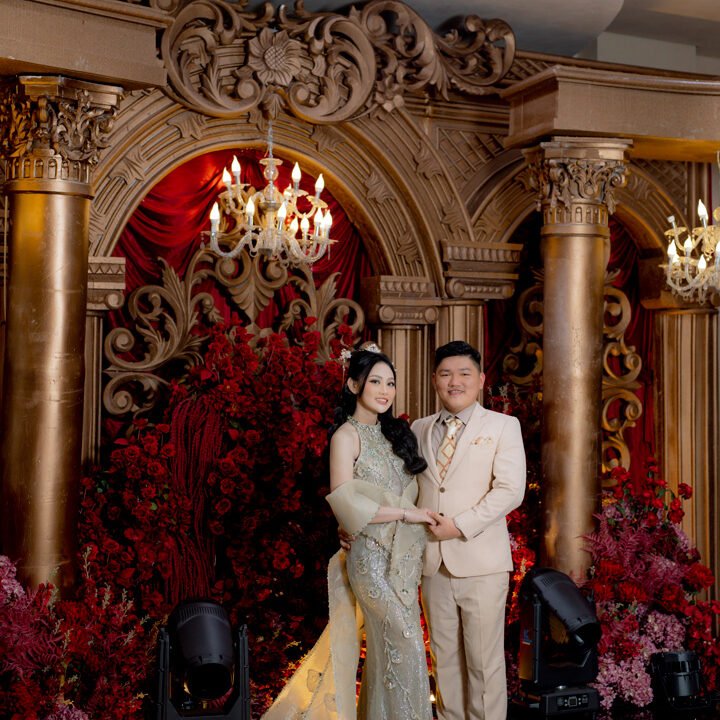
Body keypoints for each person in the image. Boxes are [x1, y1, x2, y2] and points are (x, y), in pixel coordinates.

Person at [263, 343, 436, 720]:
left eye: (390, 383)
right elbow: (344, 500)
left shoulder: (395, 435)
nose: (385, 391)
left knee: (389, 653)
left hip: (402, 561)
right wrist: (407, 515)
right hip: (369, 561)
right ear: (354, 385)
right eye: (375, 381)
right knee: (405, 641)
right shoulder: (345, 436)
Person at [412, 340, 526, 720]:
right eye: (446, 374)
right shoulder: (419, 429)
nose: (454, 381)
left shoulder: (503, 426)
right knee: (444, 662)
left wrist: (459, 526)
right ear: (434, 380)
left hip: (481, 563)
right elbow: (409, 491)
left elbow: (510, 490)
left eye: (464, 373)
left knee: (483, 664)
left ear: (480, 380)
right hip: (432, 563)